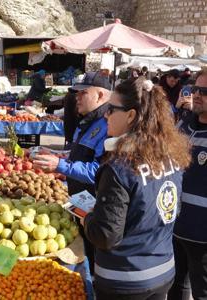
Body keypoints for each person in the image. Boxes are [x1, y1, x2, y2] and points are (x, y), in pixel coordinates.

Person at [81, 77, 191, 300]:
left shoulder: (118, 169)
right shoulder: (171, 157)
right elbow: (170, 211)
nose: (105, 115)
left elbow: (105, 235)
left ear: (131, 115)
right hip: (162, 270)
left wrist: (87, 218)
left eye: (111, 109)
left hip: (124, 280)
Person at [33, 80, 111, 274]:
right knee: (83, 247)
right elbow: (78, 156)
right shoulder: (85, 122)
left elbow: (99, 171)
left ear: (100, 95)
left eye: (82, 93)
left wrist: (60, 165)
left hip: (96, 205)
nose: (77, 98)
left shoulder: (108, 125)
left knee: (95, 256)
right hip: (79, 201)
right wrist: (57, 155)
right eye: (76, 93)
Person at [167, 68, 207, 300]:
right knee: (177, 288)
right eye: (195, 89)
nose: (198, 95)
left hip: (203, 237)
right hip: (175, 228)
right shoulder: (184, 126)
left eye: (205, 91)